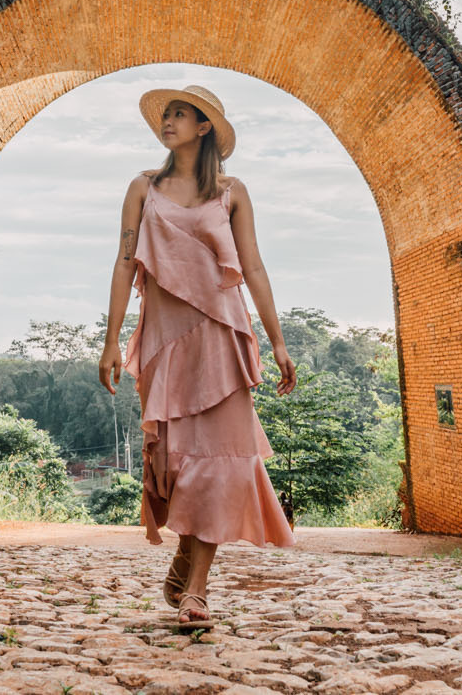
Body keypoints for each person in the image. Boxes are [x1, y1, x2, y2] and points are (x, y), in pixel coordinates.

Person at [98, 84, 296, 632]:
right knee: (177, 458)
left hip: (222, 334)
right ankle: (187, 550)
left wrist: (277, 341)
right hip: (165, 338)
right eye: (166, 113)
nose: (168, 120)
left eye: (179, 113)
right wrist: (112, 339)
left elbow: (253, 267)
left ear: (203, 126)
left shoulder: (232, 192)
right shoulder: (143, 187)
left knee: (222, 457)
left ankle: (198, 590)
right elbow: (123, 263)